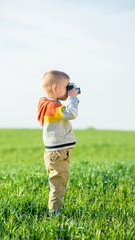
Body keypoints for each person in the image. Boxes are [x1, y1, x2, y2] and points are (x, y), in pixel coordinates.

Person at [37, 70, 79, 216]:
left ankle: (54, 210)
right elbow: (71, 113)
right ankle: (54, 213)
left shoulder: (47, 104)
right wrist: (72, 98)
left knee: (57, 183)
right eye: (67, 86)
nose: (69, 89)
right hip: (58, 153)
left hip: (54, 152)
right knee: (58, 185)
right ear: (55, 88)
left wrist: (67, 96)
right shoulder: (52, 106)